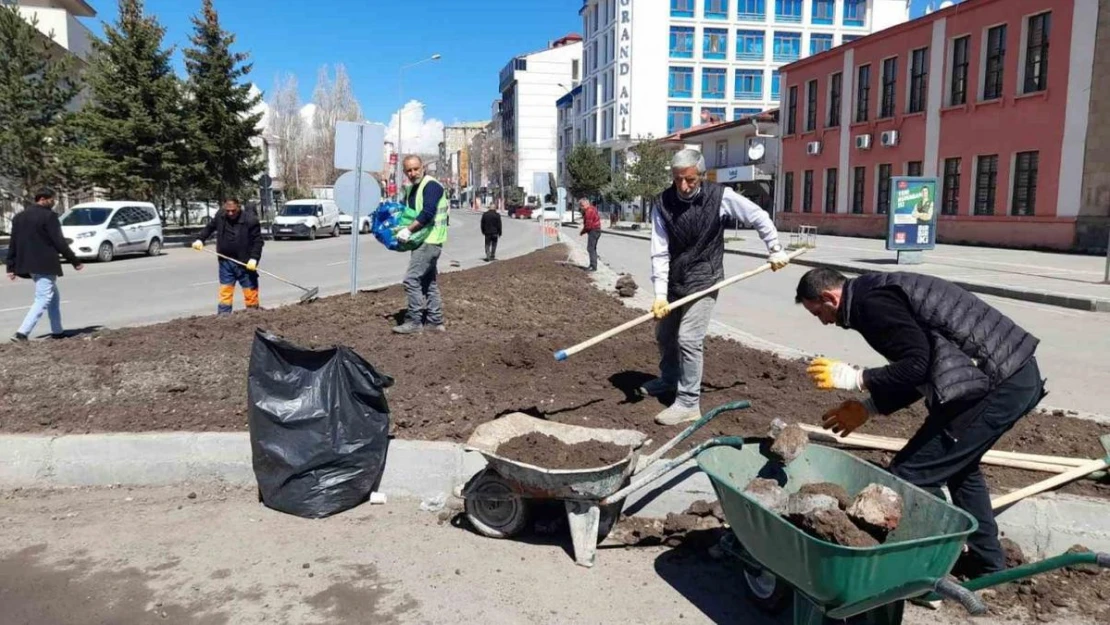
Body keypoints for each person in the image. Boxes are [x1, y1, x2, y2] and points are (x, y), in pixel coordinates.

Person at [795, 267, 1045, 578]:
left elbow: (918, 365)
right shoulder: (872, 293)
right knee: (960, 470)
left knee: (912, 475)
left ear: (829, 297)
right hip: (1006, 375)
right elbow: (923, 367)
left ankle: (925, 568)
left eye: (818, 312)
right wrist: (871, 407)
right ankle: (987, 565)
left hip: (996, 383)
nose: (822, 321)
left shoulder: (870, 305)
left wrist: (857, 377)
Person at [642, 149, 791, 425]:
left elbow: (757, 215)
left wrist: (775, 249)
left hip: (705, 278)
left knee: (688, 338)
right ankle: (669, 379)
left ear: (701, 174)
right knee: (664, 334)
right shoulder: (663, 203)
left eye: (690, 180)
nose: (683, 186)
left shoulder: (720, 196)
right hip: (676, 279)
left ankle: (688, 402)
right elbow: (659, 251)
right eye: (677, 180)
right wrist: (660, 294)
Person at [5, 188, 83, 342]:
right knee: (43, 298)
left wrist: (11, 266)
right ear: (43, 199)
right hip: (45, 263)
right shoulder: (49, 216)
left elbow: (13, 242)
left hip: (28, 263)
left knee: (53, 297)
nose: (54, 202)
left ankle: (57, 331)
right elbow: (59, 241)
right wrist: (75, 261)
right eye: (52, 199)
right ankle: (21, 333)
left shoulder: (19, 217)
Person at [393, 155, 449, 334]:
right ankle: (435, 322)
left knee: (411, 279)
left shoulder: (431, 186)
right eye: (409, 170)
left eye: (416, 168)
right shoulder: (412, 189)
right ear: (404, 172)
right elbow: (409, 213)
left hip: (429, 240)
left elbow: (427, 213)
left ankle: (414, 321)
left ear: (423, 167)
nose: (413, 173)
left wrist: (408, 231)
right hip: (423, 240)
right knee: (428, 282)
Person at [192, 198, 264, 315]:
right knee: (225, 291)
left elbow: (258, 241)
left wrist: (254, 258)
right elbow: (210, 227)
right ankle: (224, 317)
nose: (230, 213)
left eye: (233, 211)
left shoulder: (250, 220)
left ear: (239, 207)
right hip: (226, 262)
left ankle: (253, 315)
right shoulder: (221, 216)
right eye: (228, 210)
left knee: (250, 292)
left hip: (245, 263)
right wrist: (200, 239)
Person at [579, 198, 602, 271]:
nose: (581, 207)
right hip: (596, 230)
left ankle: (593, 266)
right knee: (592, 248)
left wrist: (582, 232)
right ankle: (593, 265)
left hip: (594, 230)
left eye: (582, 205)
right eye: (580, 206)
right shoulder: (591, 209)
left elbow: (588, 225)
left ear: (587, 204)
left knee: (590, 248)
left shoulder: (589, 211)